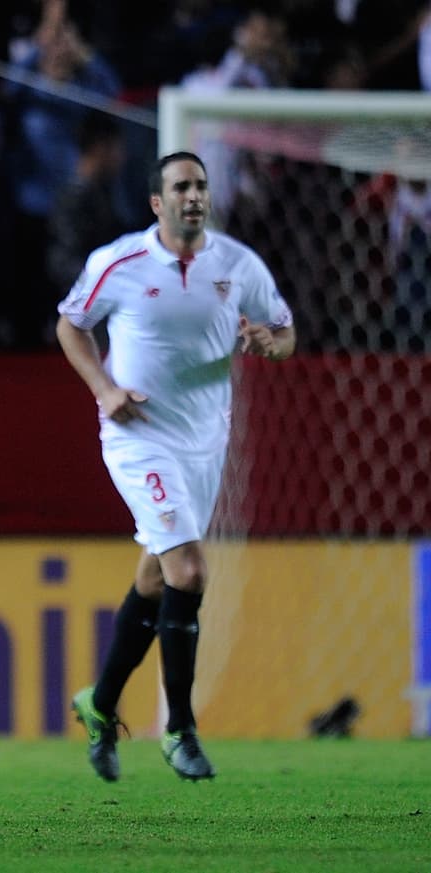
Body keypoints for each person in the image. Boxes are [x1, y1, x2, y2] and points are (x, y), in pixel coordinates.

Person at [56, 152, 295, 782]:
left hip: (205, 443)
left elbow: (284, 331)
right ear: (157, 203)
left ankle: (101, 704)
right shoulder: (120, 262)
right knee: (188, 569)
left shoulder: (238, 264)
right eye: (181, 187)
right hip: (138, 435)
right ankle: (181, 730)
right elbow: (71, 326)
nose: (194, 195)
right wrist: (105, 390)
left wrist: (271, 344)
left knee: (159, 578)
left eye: (201, 186)